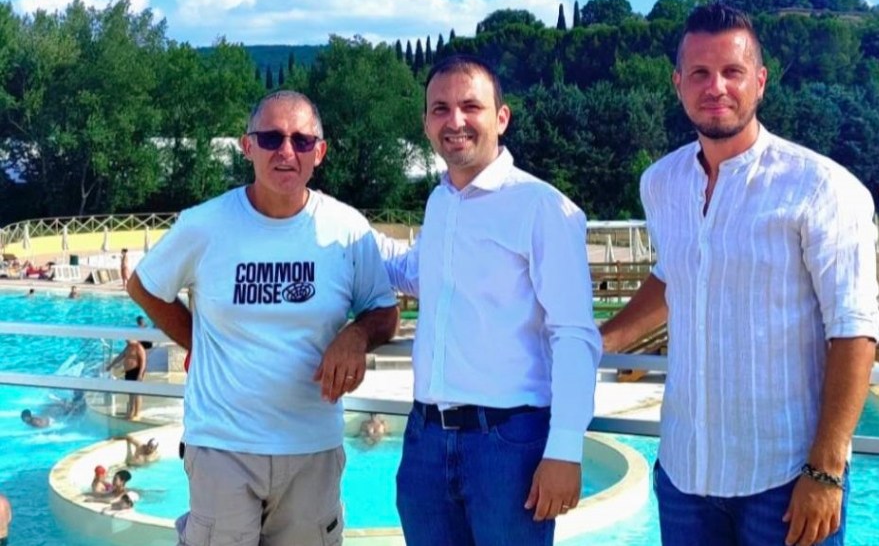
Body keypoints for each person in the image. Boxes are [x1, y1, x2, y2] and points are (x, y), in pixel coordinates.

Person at [600, 3, 879, 546]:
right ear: (678, 83)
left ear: (760, 81)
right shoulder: (661, 183)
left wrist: (825, 472)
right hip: (685, 473)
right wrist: (602, 339)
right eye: (700, 73)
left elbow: (854, 329)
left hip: (784, 477)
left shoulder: (821, 187)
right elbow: (674, 273)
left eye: (732, 72)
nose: (717, 87)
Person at [127, 90, 398, 546]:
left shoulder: (347, 229)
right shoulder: (205, 224)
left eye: (301, 140)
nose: (286, 151)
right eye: (270, 138)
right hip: (222, 446)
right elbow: (145, 286)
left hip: (312, 445)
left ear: (320, 152)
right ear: (246, 146)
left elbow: (383, 310)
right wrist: (200, 340)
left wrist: (356, 335)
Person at [377, 54, 601, 546]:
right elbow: (415, 272)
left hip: (507, 445)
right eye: (440, 109)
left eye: (469, 106)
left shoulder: (543, 208)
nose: (454, 121)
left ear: (501, 117)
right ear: (426, 123)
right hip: (427, 442)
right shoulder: (441, 203)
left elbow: (574, 334)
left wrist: (565, 449)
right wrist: (336, 231)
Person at [105, 338, 147, 420]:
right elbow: (120, 357)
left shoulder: (138, 347)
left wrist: (140, 374)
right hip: (129, 372)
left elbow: (143, 362)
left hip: (136, 371)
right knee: (131, 393)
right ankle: (130, 412)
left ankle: (136, 413)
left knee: (137, 394)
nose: (126, 340)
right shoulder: (128, 347)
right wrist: (110, 365)